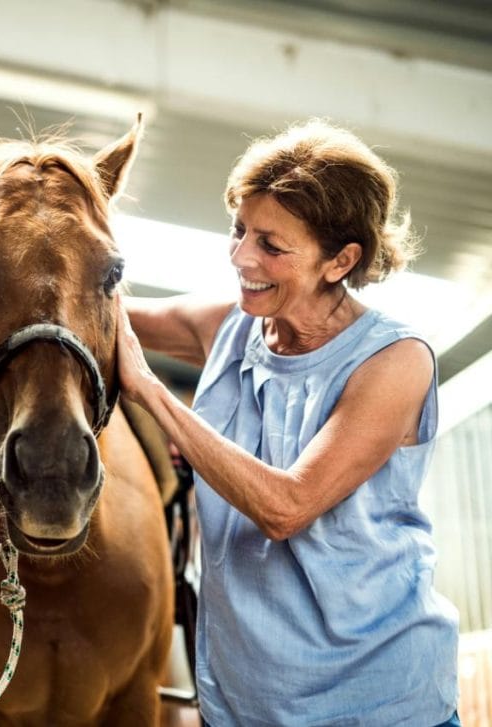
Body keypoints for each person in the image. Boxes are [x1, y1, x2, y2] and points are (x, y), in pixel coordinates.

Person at [115, 119, 460, 726]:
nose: (242, 255)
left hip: (378, 705)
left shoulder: (394, 361)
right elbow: (95, 310)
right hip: (247, 706)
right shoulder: (228, 324)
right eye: (239, 229)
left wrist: (151, 392)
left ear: (341, 260)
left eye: (271, 245)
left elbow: (286, 508)